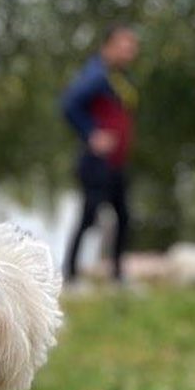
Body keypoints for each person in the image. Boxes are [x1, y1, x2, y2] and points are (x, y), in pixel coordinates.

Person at [59, 26, 140, 285]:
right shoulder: (96, 75)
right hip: (97, 162)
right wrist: (92, 133)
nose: (130, 52)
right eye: (124, 46)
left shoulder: (118, 77)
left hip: (116, 163)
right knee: (89, 216)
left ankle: (117, 274)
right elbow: (69, 103)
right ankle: (70, 274)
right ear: (108, 46)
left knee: (124, 216)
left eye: (132, 47)